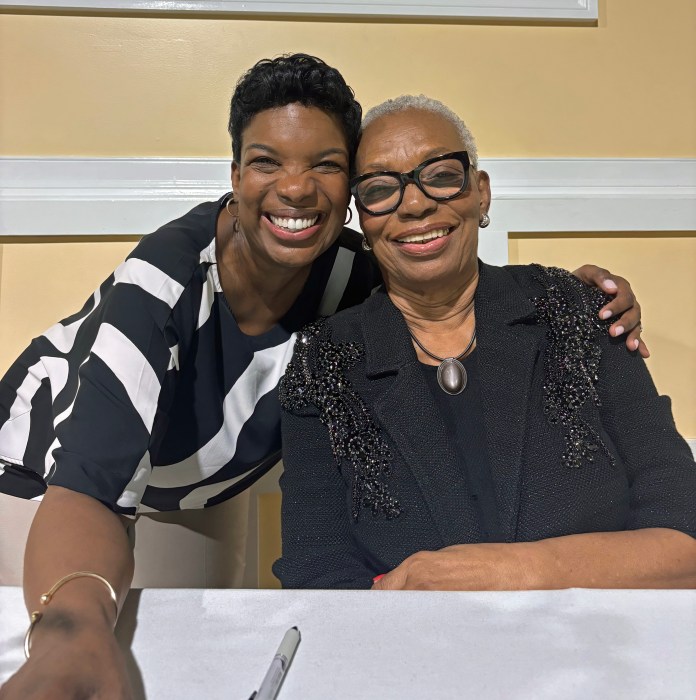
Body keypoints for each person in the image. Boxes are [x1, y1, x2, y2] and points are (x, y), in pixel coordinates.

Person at [0, 55, 645, 698]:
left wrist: (575, 301)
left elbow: (457, 294)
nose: (297, 188)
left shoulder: (358, 276)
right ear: (235, 175)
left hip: (198, 491)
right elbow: (89, 490)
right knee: (76, 657)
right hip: (47, 489)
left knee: (195, 666)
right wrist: (67, 630)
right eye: (267, 161)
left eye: (326, 166)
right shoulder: (163, 283)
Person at [273, 94, 696, 591]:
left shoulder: (576, 312)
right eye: (381, 188)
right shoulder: (325, 363)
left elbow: (684, 539)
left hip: (603, 646)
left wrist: (520, 570)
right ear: (362, 218)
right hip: (419, 656)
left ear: (481, 192)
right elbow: (315, 575)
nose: (415, 203)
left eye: (441, 174)